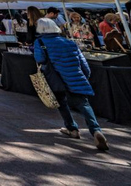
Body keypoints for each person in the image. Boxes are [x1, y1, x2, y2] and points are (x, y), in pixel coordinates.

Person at [34, 18, 109, 151]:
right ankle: (96, 130)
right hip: (75, 77)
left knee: (62, 104)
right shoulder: (69, 42)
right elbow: (84, 64)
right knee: (84, 104)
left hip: (56, 79)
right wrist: (84, 76)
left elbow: (40, 59)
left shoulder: (40, 42)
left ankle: (72, 128)